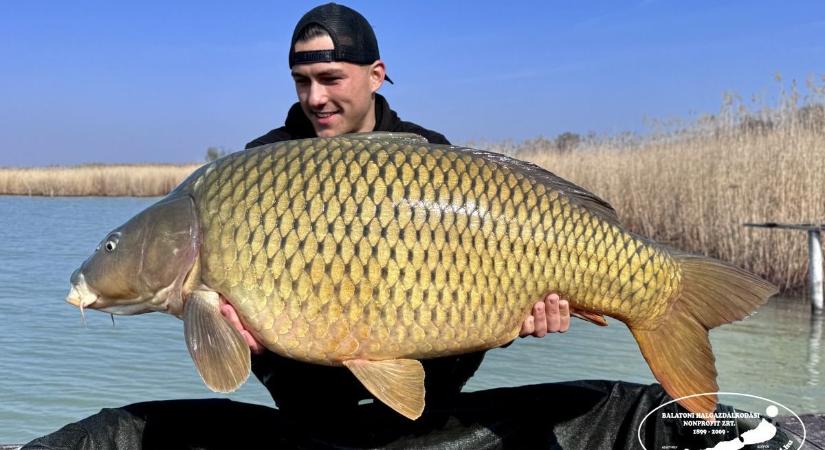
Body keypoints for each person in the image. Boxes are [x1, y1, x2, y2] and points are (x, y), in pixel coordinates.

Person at [219, 1, 572, 420]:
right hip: (307, 401)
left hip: (430, 396)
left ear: (376, 76)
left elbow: (476, 288)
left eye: (331, 79)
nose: (315, 98)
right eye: (302, 81)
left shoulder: (431, 154)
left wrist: (514, 319)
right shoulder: (263, 163)